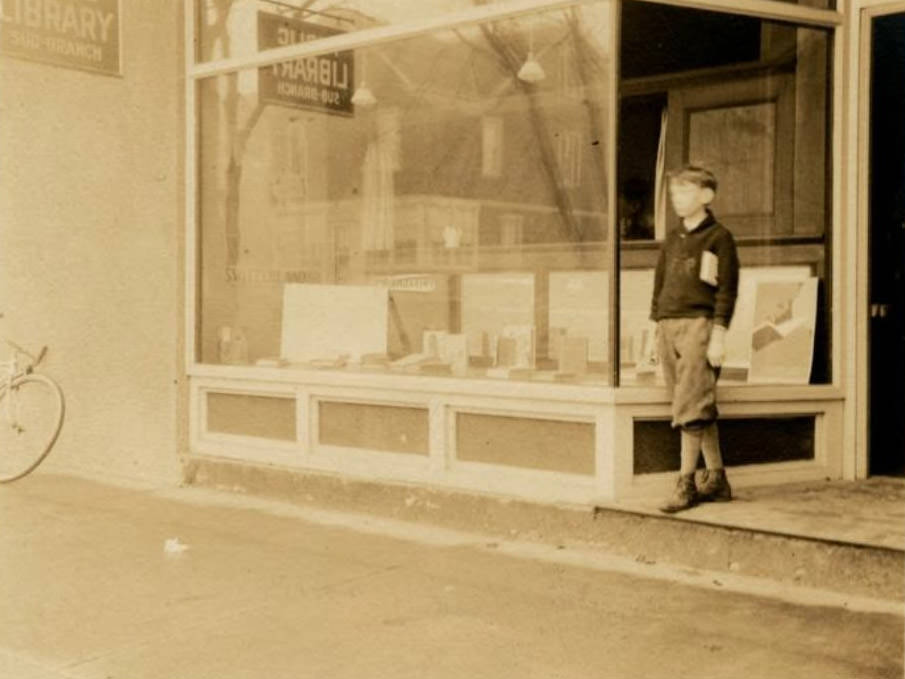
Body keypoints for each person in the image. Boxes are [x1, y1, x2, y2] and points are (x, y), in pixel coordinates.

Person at [648, 165, 740, 513]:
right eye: (674, 193)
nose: (677, 199)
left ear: (706, 196)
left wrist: (718, 334)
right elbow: (660, 285)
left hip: (699, 326)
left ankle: (686, 484)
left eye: (685, 192)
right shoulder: (672, 239)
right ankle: (716, 478)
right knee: (691, 403)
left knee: (691, 404)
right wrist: (655, 327)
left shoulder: (719, 238)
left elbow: (726, 290)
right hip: (668, 326)